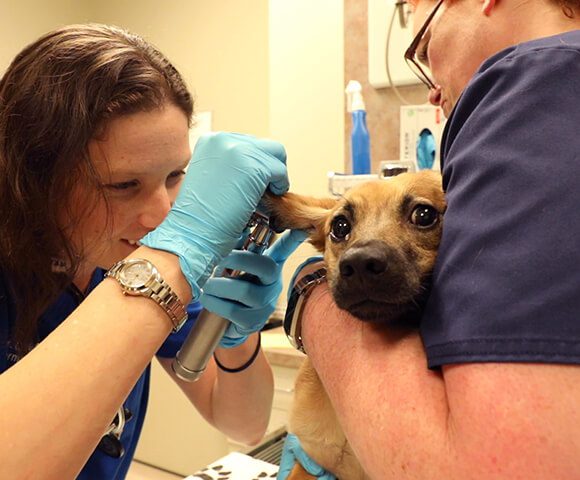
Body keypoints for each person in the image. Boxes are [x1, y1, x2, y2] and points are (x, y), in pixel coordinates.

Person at [276, 0, 580, 478]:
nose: (433, 94)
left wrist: (307, 293)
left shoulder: (544, 81)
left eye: (423, 47)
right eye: (341, 230)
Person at [0, 24, 304, 479]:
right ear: (38, 179)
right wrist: (174, 259)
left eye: (176, 176)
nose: (162, 216)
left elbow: (241, 422)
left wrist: (235, 339)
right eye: (124, 185)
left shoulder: (121, 257)